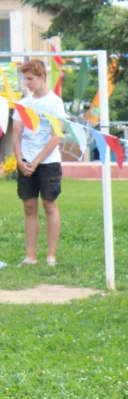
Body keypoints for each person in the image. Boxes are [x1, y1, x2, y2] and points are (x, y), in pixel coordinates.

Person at [12, 58, 64, 267]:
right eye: (25, 79)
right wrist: (20, 160)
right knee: (29, 207)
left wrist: (37, 161)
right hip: (25, 162)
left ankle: (51, 255)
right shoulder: (23, 104)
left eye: (31, 79)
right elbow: (16, 136)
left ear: (42, 78)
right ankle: (30, 256)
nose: (28, 83)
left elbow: (56, 136)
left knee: (49, 205)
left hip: (48, 162)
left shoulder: (54, 102)